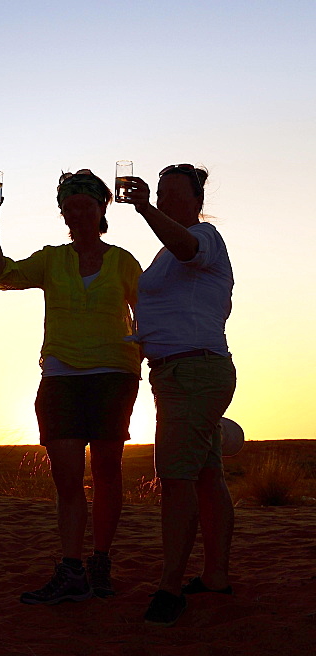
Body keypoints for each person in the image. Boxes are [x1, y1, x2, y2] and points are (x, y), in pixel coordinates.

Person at [0, 170, 142, 604]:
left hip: (114, 373)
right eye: (69, 207)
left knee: (108, 472)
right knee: (68, 477)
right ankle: (71, 569)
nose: (76, 213)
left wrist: (147, 357)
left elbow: (148, 310)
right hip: (61, 376)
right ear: (63, 213)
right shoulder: (52, 259)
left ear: (101, 208)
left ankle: (100, 562)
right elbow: (2, 275)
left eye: (84, 205)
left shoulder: (123, 260)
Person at [125, 165, 236, 627]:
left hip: (194, 371)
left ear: (196, 201)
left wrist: (145, 207)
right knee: (206, 474)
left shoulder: (204, 236)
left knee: (175, 478)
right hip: (178, 374)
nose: (165, 200)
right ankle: (214, 576)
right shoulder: (162, 256)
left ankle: (171, 586)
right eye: (160, 193)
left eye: (172, 194)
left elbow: (188, 248)